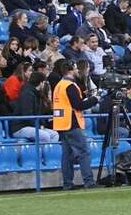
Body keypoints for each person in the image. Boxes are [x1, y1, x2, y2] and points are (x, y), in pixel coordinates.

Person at [51, 60, 98, 190]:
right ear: (71, 69)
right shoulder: (70, 85)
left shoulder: (59, 85)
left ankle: (67, 183)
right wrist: (94, 100)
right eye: (76, 68)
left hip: (61, 123)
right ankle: (89, 182)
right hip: (71, 122)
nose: (78, 71)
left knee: (67, 156)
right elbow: (78, 105)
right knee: (83, 152)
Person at [10, 72, 58, 142]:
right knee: (44, 135)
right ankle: (40, 152)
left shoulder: (37, 94)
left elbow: (43, 112)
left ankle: (48, 152)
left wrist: (56, 113)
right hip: (20, 127)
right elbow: (27, 115)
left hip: (33, 126)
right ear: (41, 83)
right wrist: (39, 126)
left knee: (55, 135)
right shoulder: (27, 94)